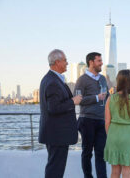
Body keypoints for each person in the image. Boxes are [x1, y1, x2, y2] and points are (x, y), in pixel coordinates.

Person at [39, 49, 82, 178]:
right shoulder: (52, 82)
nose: (67, 63)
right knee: (55, 169)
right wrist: (72, 101)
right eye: (65, 60)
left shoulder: (51, 79)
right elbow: (53, 108)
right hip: (57, 135)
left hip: (55, 134)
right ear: (57, 62)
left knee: (55, 167)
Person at [104, 69, 130, 178]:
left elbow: (107, 122)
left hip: (113, 137)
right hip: (129, 138)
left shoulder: (110, 99)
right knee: (127, 174)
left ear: (118, 81)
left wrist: (111, 136)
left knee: (114, 172)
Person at [74, 52, 109, 178]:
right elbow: (77, 100)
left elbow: (107, 97)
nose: (101, 63)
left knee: (101, 153)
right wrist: (96, 98)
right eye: (99, 61)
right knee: (87, 152)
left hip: (101, 121)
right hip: (86, 120)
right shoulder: (81, 80)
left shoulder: (103, 79)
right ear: (91, 62)